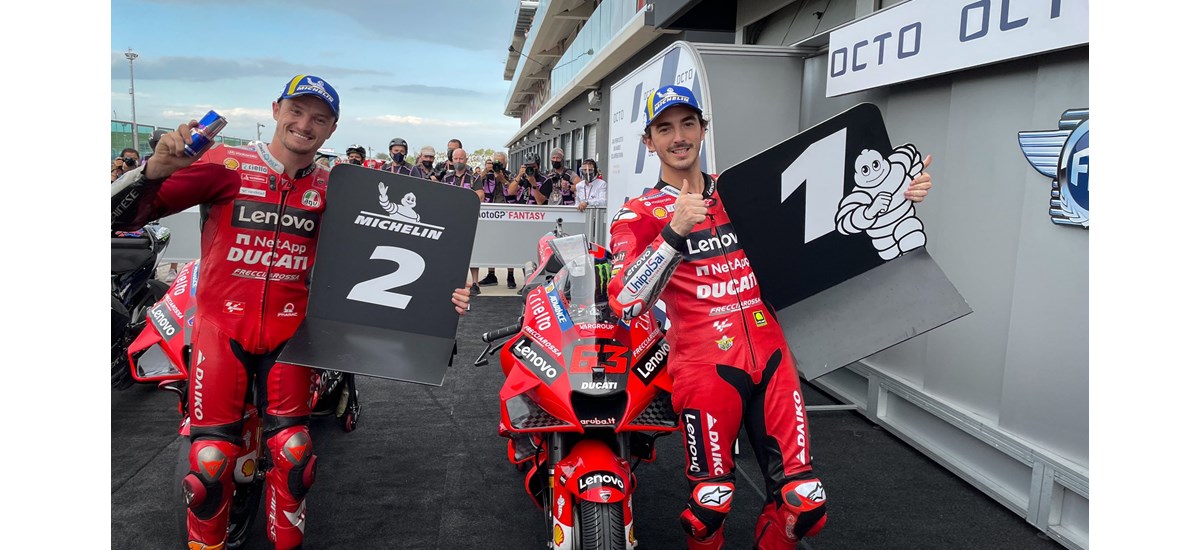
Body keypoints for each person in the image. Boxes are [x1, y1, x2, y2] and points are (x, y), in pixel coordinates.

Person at [110, 74, 473, 550]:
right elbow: (118, 219)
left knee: (295, 453)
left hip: (292, 335)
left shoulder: (338, 188)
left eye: (319, 118)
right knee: (209, 463)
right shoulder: (225, 164)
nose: (305, 124)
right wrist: (153, 172)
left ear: (332, 129)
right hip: (221, 328)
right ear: (276, 109)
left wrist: (446, 291)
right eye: (296, 111)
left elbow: (395, 250)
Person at [606, 85, 933, 550]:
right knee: (709, 506)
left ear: (703, 130)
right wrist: (675, 230)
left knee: (806, 501)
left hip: (772, 354)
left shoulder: (744, 191)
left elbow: (829, 225)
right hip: (704, 366)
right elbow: (625, 301)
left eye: (687, 124)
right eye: (665, 128)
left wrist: (897, 195)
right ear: (649, 141)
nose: (678, 137)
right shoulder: (638, 213)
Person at [440, 147, 484, 295]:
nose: (458, 161)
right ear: (451, 160)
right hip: (451, 219)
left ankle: (475, 283)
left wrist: (464, 201)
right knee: (452, 252)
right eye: (456, 159)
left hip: (468, 219)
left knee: (472, 251)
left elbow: (480, 195)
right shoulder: (446, 177)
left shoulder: (474, 177)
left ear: (466, 159)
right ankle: (452, 280)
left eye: (461, 158)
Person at [476, 152, 518, 289]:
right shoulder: (487, 176)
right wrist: (485, 171)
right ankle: (491, 274)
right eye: (496, 162)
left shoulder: (510, 175)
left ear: (506, 164)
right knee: (491, 243)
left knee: (509, 244)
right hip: (491, 212)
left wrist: (503, 179)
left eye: (501, 163)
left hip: (508, 212)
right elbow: (474, 183)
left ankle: (510, 275)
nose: (498, 165)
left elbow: (515, 190)